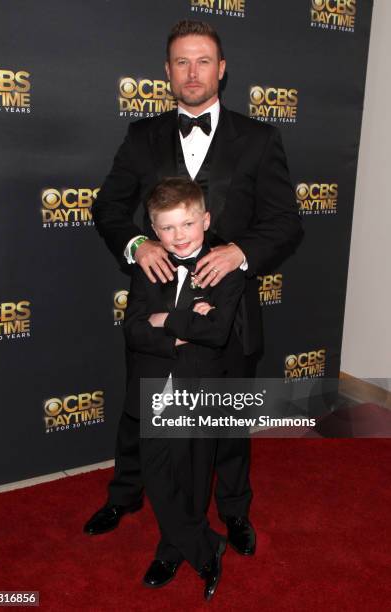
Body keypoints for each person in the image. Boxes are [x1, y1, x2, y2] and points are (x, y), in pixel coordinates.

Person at [86, 19, 302, 579]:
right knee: (143, 414)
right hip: (155, 306)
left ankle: (232, 511)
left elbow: (285, 224)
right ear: (166, 72)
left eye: (203, 60)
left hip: (228, 317)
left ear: (222, 69)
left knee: (226, 422)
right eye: (181, 62)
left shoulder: (259, 139)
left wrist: (240, 253)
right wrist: (136, 243)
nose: (192, 72)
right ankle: (127, 494)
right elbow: (108, 209)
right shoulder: (142, 137)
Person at [124, 176, 244, 600]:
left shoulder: (224, 267)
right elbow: (133, 330)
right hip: (157, 386)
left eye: (187, 225)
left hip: (200, 386)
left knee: (194, 478)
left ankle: (171, 548)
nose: (178, 236)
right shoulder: (148, 266)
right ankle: (205, 544)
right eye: (168, 228)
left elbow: (216, 332)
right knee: (158, 478)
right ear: (154, 231)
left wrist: (167, 321)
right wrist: (189, 320)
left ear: (205, 220)